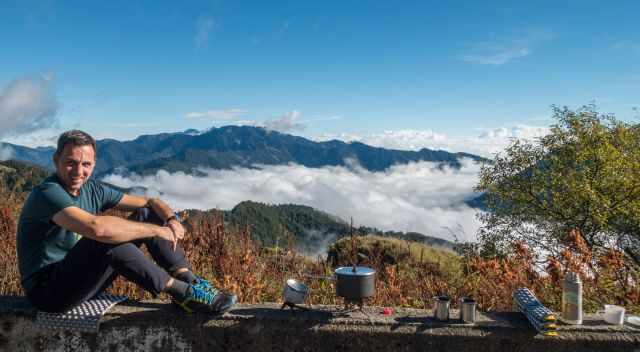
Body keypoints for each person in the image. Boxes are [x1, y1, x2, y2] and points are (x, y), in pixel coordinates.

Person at [16, 130, 237, 314]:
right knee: (105, 237)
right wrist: (156, 231)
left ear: (94, 164)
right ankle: (181, 292)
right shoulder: (47, 193)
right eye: (71, 163)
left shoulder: (92, 189)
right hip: (49, 292)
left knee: (148, 214)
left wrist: (170, 219)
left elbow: (150, 202)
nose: (79, 171)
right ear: (56, 160)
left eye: (86, 164)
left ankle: (190, 281)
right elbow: (98, 229)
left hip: (81, 280)